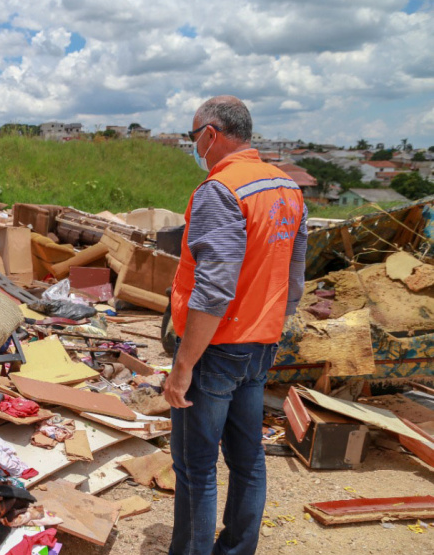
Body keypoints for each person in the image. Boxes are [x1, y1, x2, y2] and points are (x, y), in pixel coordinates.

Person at [162, 96, 307, 555]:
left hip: (216, 348)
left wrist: (184, 365)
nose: (194, 147)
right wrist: (271, 324)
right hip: (261, 344)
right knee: (248, 461)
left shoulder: (221, 190)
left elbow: (213, 289)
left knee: (196, 468)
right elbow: (295, 276)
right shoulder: (286, 187)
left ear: (211, 134)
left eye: (193, 137)